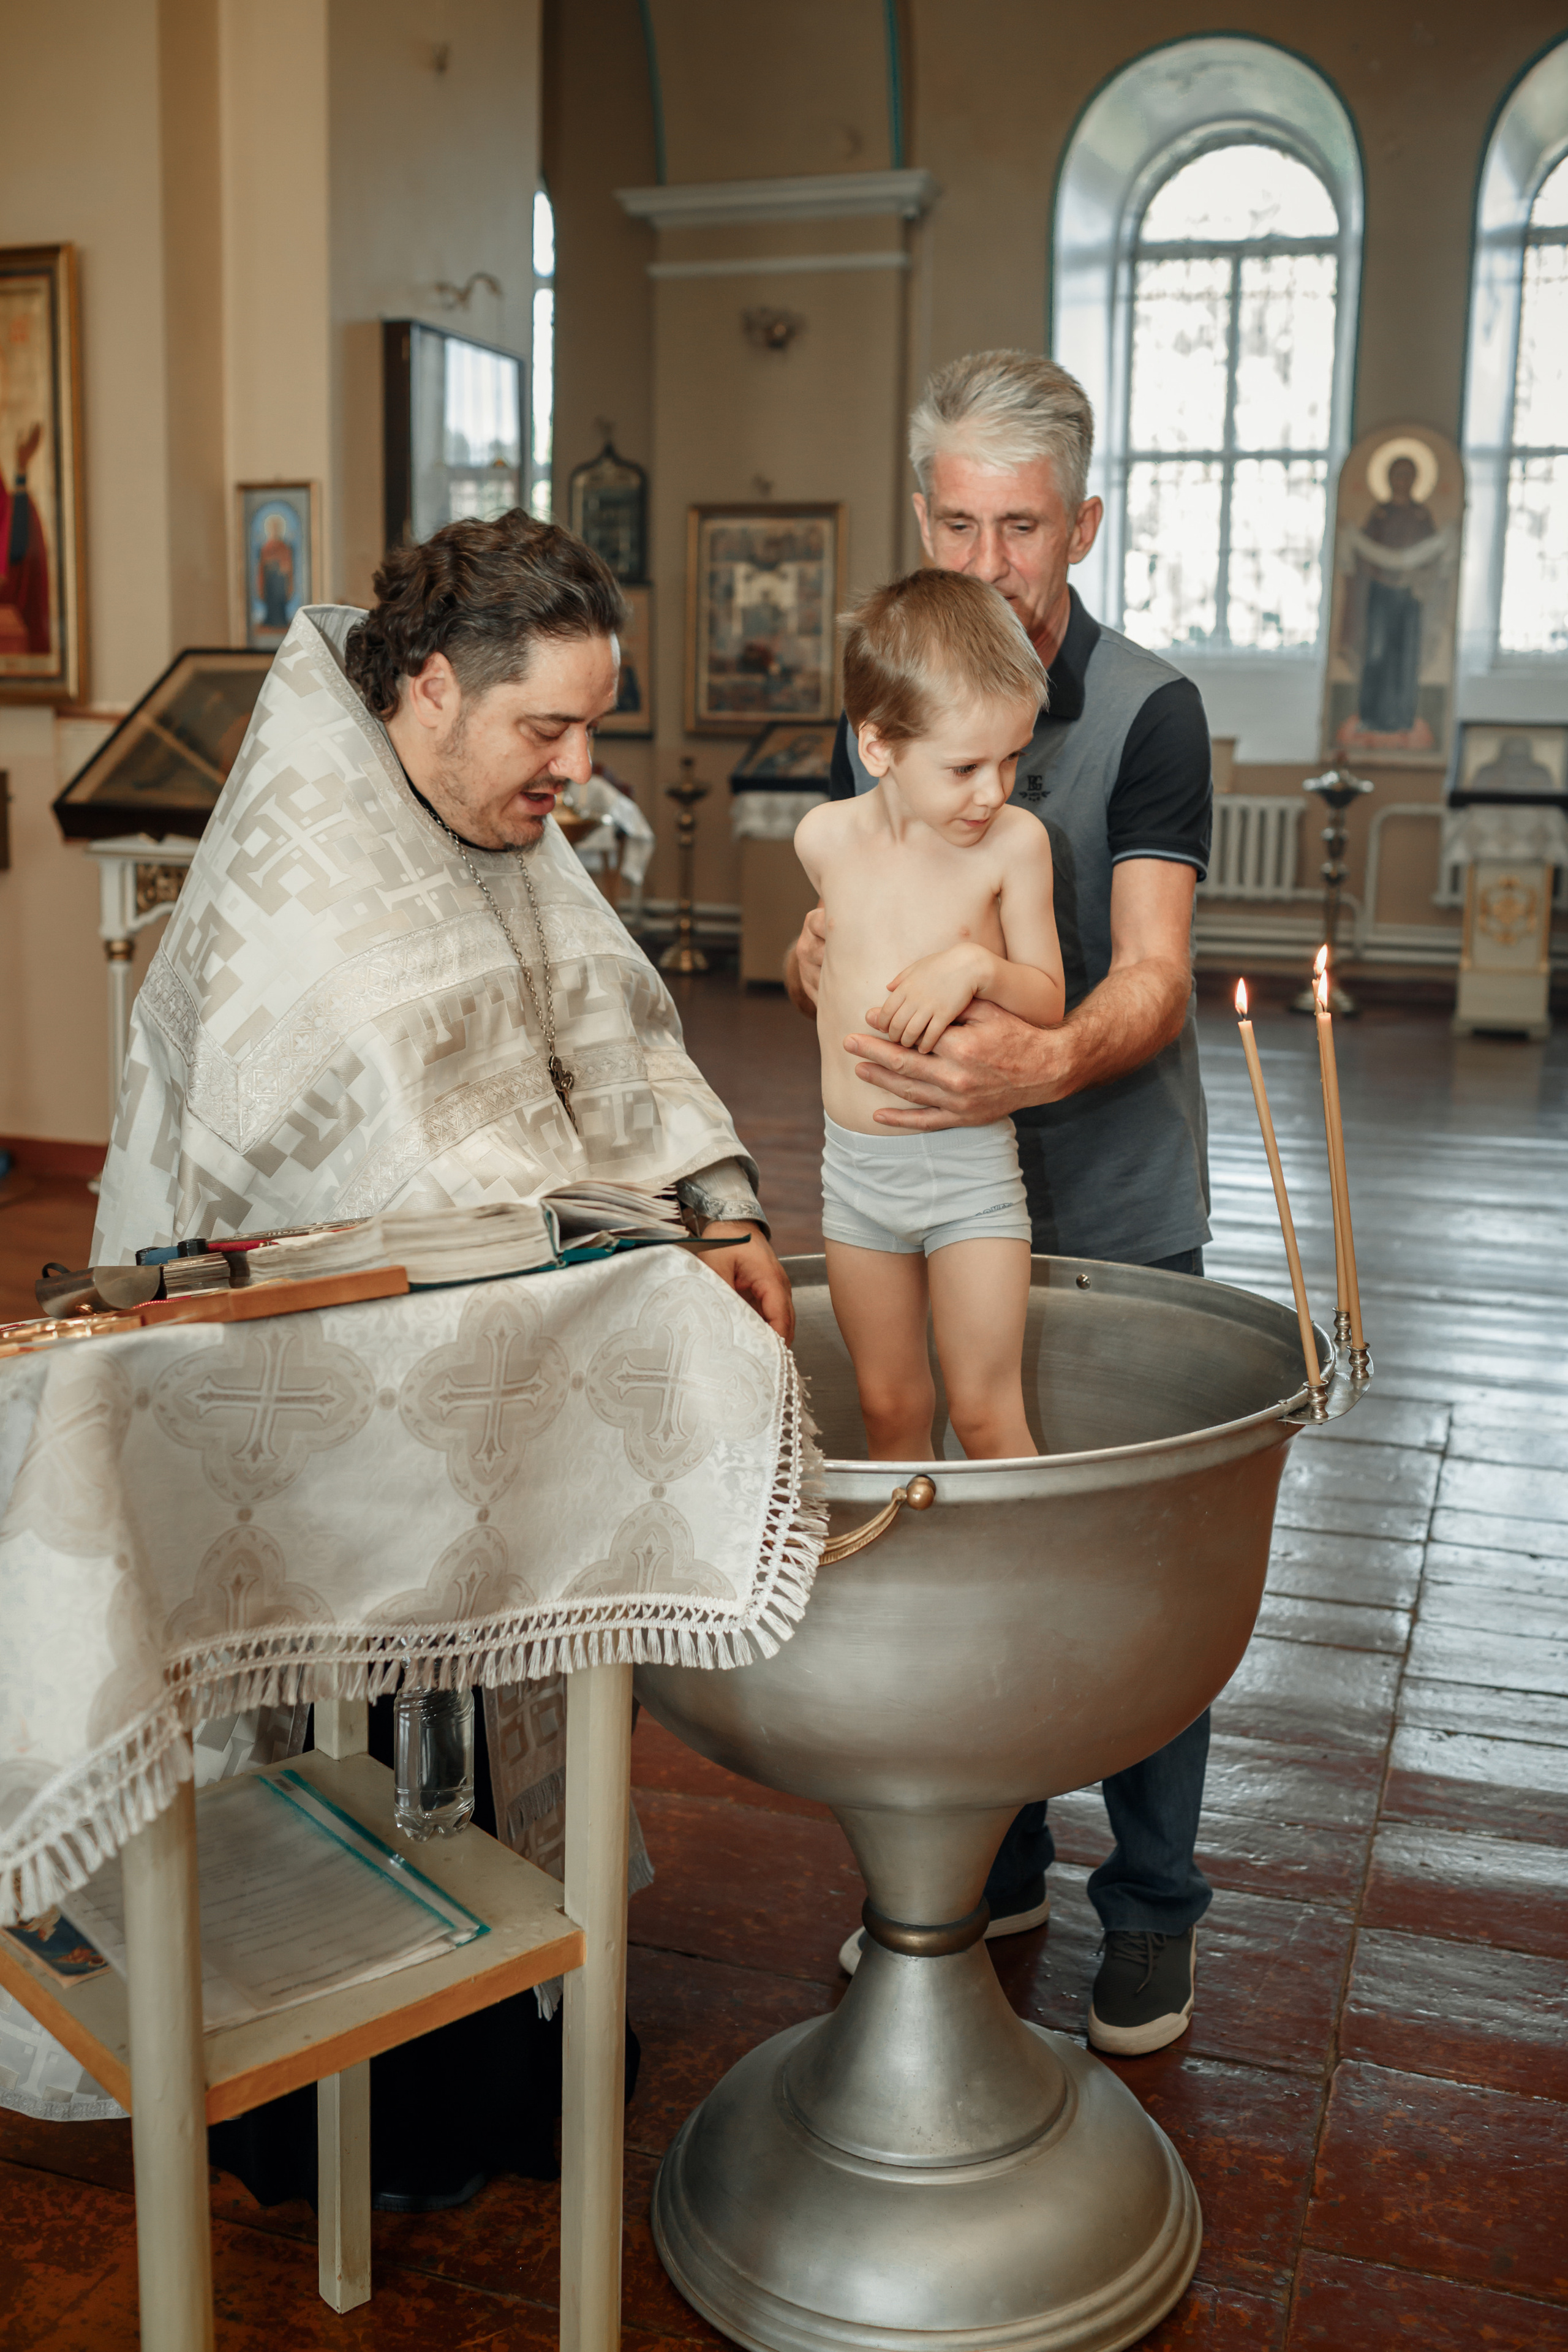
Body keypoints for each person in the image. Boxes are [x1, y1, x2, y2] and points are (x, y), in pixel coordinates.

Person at [83, 508, 794, 2203]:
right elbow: (383, 1166)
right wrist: (617, 1249)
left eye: (592, 728)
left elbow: (611, 1022)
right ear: (427, 691)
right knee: (367, 1722)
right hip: (315, 1406)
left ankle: (515, 2029)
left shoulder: (503, 816)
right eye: (548, 727)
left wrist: (714, 1198)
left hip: (508, 1355)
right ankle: (364, 2103)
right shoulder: (309, 873)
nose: (578, 771)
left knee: (499, 1692)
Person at [787, 350, 1214, 2058]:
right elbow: (850, 908)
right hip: (903, 1183)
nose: (988, 562)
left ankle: (1153, 1905)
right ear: (921, 520)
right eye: (956, 525)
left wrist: (1025, 1064)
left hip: (1102, 1197)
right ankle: (993, 1863)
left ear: (1081, 526)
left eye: (1021, 528)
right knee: (957, 1520)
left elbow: (1153, 977)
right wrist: (828, 964)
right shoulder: (893, 689)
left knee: (1127, 1553)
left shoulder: (1150, 712)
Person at [796, 570, 1063, 1461]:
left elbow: (1049, 998)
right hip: (855, 1180)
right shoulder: (823, 840)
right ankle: (916, 1558)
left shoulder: (1016, 847)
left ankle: (1022, 1558)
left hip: (968, 1177)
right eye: (964, 768)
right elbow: (831, 969)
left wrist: (977, 966)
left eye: (1012, 760)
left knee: (985, 1414)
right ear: (877, 746)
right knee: (890, 1406)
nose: (994, 792)